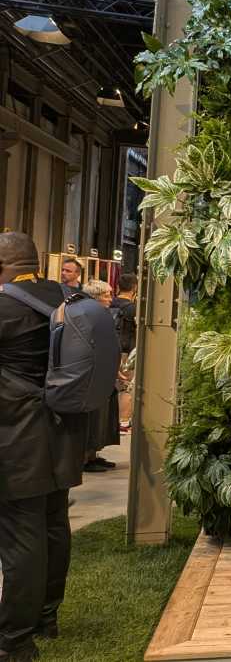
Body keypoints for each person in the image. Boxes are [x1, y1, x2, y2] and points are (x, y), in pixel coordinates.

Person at [0, 233, 88, 661]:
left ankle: (15, 640)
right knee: (54, 524)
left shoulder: (5, 307)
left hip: (19, 437)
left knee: (22, 535)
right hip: (62, 432)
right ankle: (46, 619)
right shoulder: (65, 297)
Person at [81, 280, 120, 472]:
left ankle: (92, 454)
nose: (110, 298)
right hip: (92, 374)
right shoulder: (88, 316)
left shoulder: (103, 315)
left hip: (103, 372)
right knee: (93, 416)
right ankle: (85, 458)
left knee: (102, 415)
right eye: (107, 295)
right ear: (95, 297)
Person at [111, 274, 138, 431]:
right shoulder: (133, 308)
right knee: (126, 386)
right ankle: (122, 421)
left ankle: (111, 421)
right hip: (126, 351)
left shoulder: (109, 303)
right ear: (134, 287)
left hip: (110, 349)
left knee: (112, 386)